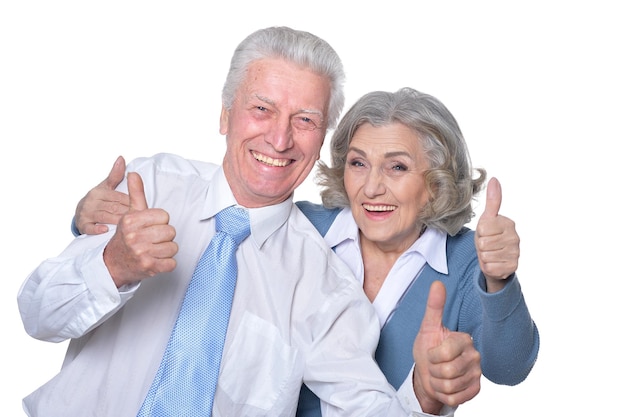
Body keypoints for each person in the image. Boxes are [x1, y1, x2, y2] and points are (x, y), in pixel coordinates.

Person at [17, 27, 480, 417]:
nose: (279, 139)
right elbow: (37, 316)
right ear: (225, 114)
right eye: (262, 109)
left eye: (304, 119)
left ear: (321, 139)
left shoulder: (327, 289)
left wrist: (422, 392)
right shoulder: (151, 185)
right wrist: (114, 265)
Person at [70, 88, 539, 415]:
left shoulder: (464, 263)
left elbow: (510, 368)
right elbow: (203, 213)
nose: (371, 186)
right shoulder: (297, 225)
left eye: (396, 166)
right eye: (358, 163)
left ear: (436, 181)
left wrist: (499, 281)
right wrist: (90, 217)